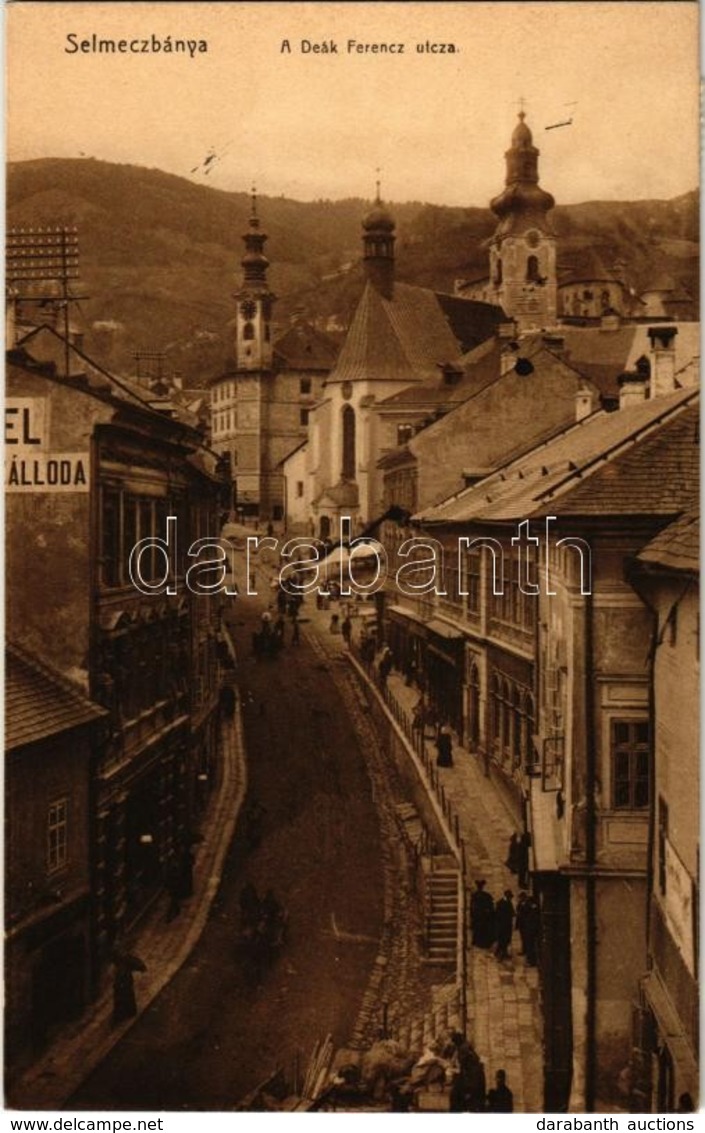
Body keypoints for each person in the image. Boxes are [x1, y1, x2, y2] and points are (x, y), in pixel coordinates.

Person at [470, 879, 495, 949]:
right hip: (480, 916)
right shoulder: (479, 895)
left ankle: (480, 942)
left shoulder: (477, 895)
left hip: (481, 916)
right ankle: (480, 942)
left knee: (480, 929)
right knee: (480, 929)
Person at [494, 890, 515, 960]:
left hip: (508, 925)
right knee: (502, 939)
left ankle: (503, 953)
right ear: (507, 896)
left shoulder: (509, 903)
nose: (510, 898)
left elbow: (512, 912)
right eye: (510, 897)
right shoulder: (500, 903)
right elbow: (497, 914)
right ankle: (500, 954)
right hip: (501, 925)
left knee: (506, 940)